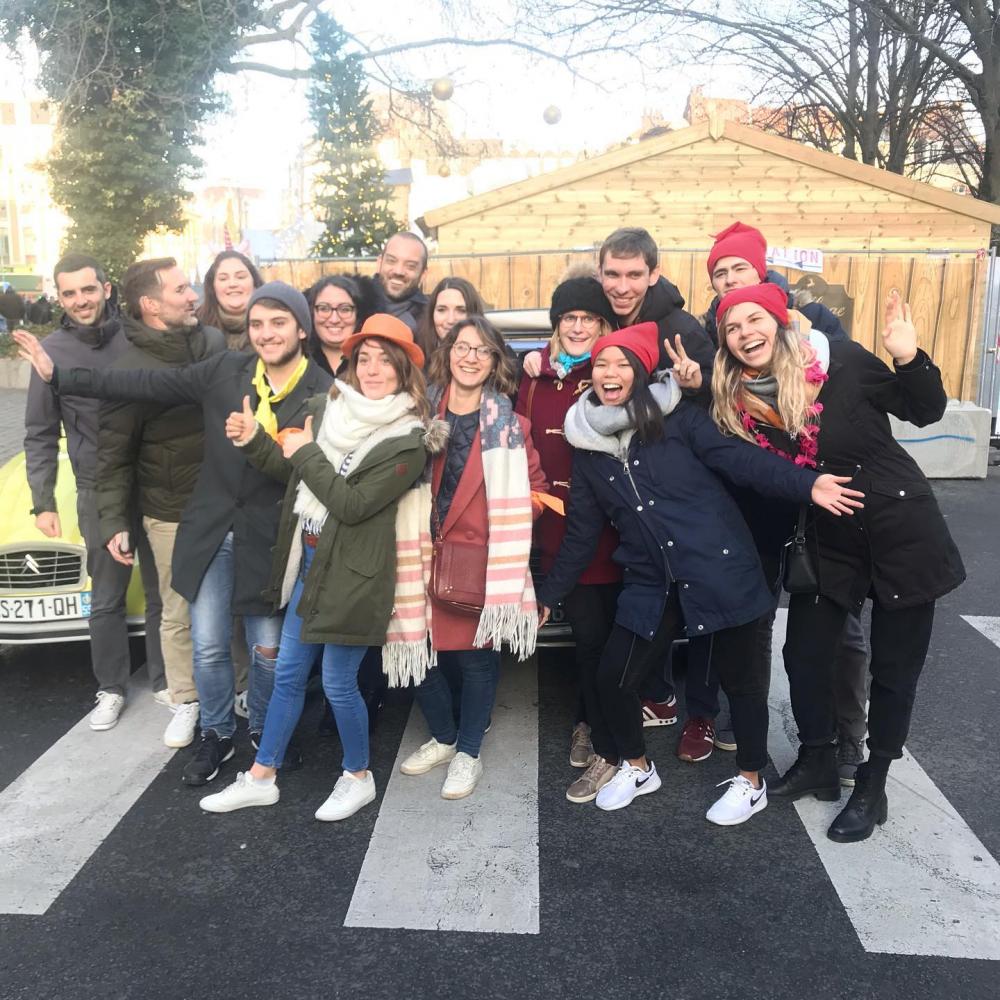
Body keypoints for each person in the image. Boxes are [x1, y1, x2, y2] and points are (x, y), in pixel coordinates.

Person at [535, 322, 863, 824]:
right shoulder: (589, 451)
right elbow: (581, 533)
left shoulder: (681, 422)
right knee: (613, 678)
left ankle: (751, 779)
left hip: (720, 567)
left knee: (743, 685)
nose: (610, 372)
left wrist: (807, 484)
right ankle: (639, 767)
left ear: (643, 375)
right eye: (601, 364)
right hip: (651, 579)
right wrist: (547, 594)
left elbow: (743, 460)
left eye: (622, 363)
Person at [15, 281, 332, 785]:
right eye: (257, 324)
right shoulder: (227, 370)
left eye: (278, 322)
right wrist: (61, 377)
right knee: (206, 645)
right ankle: (217, 734)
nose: (266, 334)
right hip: (210, 530)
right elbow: (144, 384)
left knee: (268, 650)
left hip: (271, 538)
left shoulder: (322, 390)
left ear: (300, 327)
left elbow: (310, 474)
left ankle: (268, 735)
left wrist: (255, 441)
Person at [710, 282, 965, 841]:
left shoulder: (840, 360)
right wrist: (806, 484)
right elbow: (766, 471)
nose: (745, 333)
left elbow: (925, 410)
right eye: (732, 327)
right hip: (828, 537)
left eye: (755, 320)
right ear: (724, 342)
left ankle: (873, 785)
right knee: (804, 654)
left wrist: (907, 356)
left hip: (900, 527)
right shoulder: (740, 401)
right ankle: (818, 757)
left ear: (779, 322)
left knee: (894, 670)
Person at [198, 314, 439, 820]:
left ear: (403, 370)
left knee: (336, 682)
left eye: (385, 361)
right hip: (309, 560)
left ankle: (358, 776)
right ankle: (262, 776)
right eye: (363, 359)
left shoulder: (410, 441)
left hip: (356, 575)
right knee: (287, 673)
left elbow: (351, 504)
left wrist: (305, 452)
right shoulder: (329, 410)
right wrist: (254, 440)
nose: (372, 370)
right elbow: (292, 467)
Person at [680, 221, 869, 785]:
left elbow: (852, 391)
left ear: (761, 270)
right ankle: (745, 719)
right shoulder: (717, 335)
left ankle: (847, 738)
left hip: (825, 498)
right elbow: (712, 415)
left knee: (841, 629)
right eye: (720, 272)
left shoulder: (813, 326)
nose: (730, 279)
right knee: (751, 617)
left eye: (740, 267)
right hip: (758, 503)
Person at [400, 316, 548, 800]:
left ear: (493, 362)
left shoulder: (512, 425)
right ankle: (443, 737)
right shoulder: (416, 417)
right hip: (415, 555)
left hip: (479, 561)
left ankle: (468, 752)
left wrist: (504, 512)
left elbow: (539, 491)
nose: (470, 357)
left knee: (476, 663)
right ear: (447, 354)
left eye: (482, 351)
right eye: (462, 347)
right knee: (418, 656)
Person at [22, 253, 164, 731]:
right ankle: (111, 688)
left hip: (152, 480)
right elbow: (40, 432)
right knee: (106, 594)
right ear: (59, 297)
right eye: (69, 293)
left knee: (165, 587)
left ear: (106, 289)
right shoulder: (52, 352)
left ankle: (167, 681)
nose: (80, 300)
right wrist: (43, 501)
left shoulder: (139, 335)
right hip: (96, 488)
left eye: (88, 289)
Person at [514, 274, 625, 796]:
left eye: (589, 319)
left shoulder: (610, 372)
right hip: (551, 527)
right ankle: (589, 717)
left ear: (603, 325)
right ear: (556, 326)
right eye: (569, 319)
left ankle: (600, 731)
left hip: (603, 528)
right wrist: (528, 360)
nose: (579, 327)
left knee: (605, 640)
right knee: (584, 636)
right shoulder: (534, 375)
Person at [305, 274, 378, 377]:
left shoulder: (377, 360)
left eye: (345, 309)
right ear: (312, 313)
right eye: (324, 308)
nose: (334, 320)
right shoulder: (297, 361)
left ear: (358, 314)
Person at [196, 250, 263, 352]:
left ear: (255, 284)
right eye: (223, 279)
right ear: (213, 287)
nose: (232, 284)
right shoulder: (196, 329)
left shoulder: (274, 326)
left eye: (240, 277)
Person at [415, 276, 486, 362]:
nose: (451, 320)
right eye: (442, 310)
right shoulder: (416, 356)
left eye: (461, 310)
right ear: (431, 314)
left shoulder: (489, 357)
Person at [373, 232, 429, 332]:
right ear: (379, 263)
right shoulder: (353, 306)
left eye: (410, 266)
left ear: (423, 274)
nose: (398, 271)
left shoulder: (430, 318)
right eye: (391, 261)